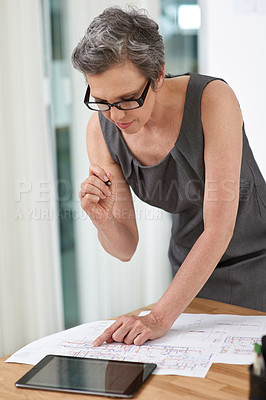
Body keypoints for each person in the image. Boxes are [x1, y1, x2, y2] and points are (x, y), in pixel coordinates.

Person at [72, 6, 266, 347]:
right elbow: (125, 247)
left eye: (128, 99)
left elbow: (220, 228)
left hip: (256, 259)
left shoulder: (212, 100)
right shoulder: (100, 130)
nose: (114, 115)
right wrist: (102, 220)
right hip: (188, 273)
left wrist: (159, 317)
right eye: (101, 101)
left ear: (158, 75)